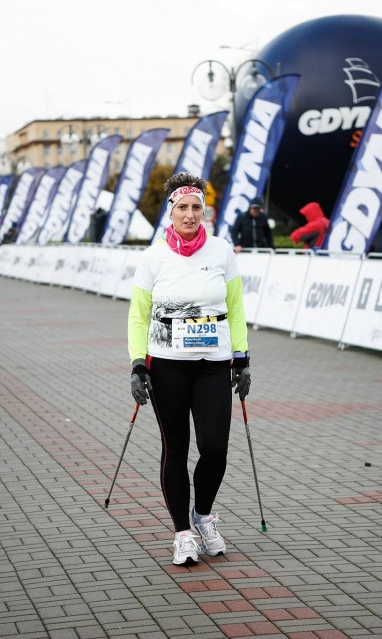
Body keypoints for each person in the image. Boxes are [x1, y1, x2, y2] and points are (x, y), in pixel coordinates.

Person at [127, 172, 251, 566]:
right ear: (171, 210)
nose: (190, 214)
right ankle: (183, 532)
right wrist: (136, 364)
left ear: (204, 211)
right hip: (167, 366)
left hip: (214, 364)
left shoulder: (221, 251)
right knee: (175, 449)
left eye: (197, 207)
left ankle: (203, 515)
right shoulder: (153, 258)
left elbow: (235, 307)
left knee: (215, 448)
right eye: (182, 207)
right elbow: (138, 316)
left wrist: (242, 357)